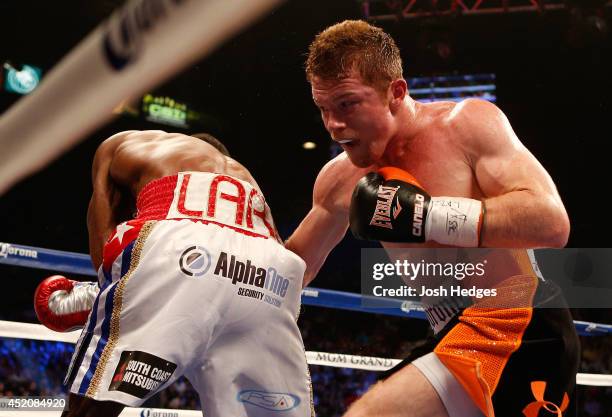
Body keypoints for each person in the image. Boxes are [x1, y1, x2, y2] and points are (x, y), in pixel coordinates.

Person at [285, 20, 579, 417]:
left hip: (519, 320)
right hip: (450, 333)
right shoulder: (338, 181)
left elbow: (551, 222)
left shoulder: (466, 125)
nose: (334, 124)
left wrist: (429, 216)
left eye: (347, 104)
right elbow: (291, 268)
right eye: (323, 109)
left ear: (396, 92)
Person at [35, 130, 313, 417]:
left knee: (91, 406)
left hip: (183, 246)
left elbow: (106, 246)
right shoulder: (243, 177)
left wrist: (112, 296)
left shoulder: (126, 144)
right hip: (271, 268)